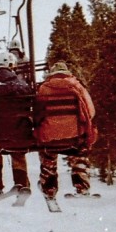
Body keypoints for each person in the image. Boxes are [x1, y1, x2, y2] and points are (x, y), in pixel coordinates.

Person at [34, 61, 98, 198]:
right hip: (75, 137)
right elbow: (90, 111)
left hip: (50, 138)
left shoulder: (44, 89)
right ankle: (81, 186)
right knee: (80, 152)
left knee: (48, 154)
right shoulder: (77, 87)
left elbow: (38, 114)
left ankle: (49, 186)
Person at [0, 51, 33, 198]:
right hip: (19, 132)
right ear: (12, 65)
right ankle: (22, 183)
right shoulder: (21, 85)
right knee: (17, 153)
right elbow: (28, 104)